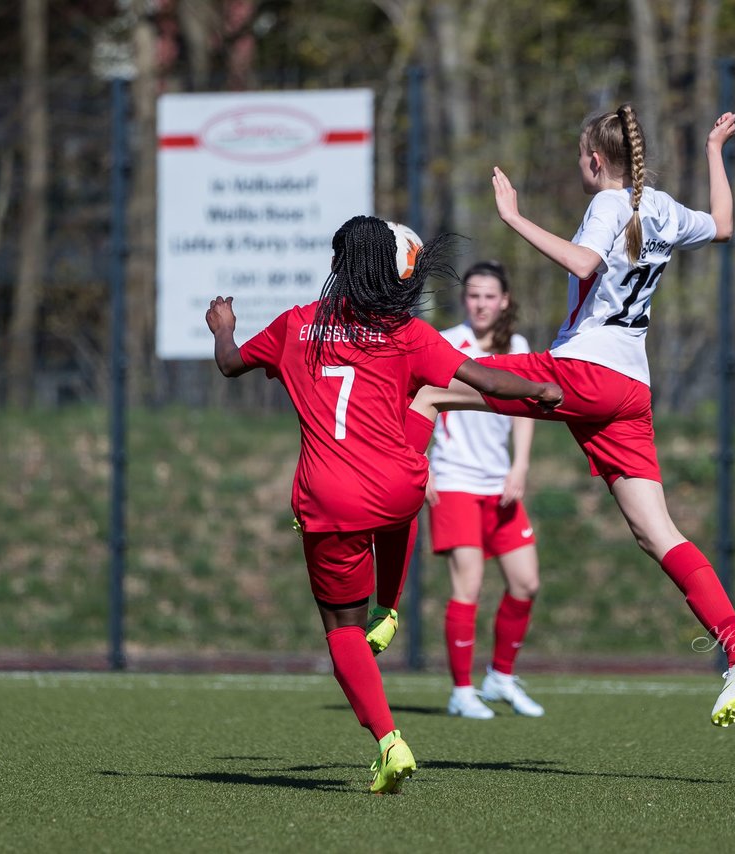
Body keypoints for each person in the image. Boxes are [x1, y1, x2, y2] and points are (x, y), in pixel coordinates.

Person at [410, 105, 735, 728]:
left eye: (581, 156)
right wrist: (715, 149)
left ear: (596, 160)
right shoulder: (659, 206)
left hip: (582, 371)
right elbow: (722, 225)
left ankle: (382, 570)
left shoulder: (609, 203)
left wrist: (514, 218)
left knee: (430, 386)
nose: (580, 164)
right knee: (657, 533)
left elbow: (585, 264)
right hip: (630, 388)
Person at [205, 215, 562, 794]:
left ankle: (389, 742)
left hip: (330, 499)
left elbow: (229, 363)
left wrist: (224, 326)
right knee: (419, 417)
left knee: (341, 633)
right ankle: (389, 607)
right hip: (401, 488)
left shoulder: (298, 325)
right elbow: (490, 380)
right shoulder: (407, 332)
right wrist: (542, 391)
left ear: (340, 268)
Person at [426, 261, 545, 719]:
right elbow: (417, 400)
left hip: (500, 485)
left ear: (505, 301)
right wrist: (421, 463)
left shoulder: (516, 345)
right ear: (465, 300)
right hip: (454, 480)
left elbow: (525, 412)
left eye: (489, 296)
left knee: (526, 582)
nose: (480, 303)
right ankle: (461, 690)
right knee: (469, 586)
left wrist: (520, 465)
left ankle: (499, 677)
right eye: (473, 295)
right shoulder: (446, 343)